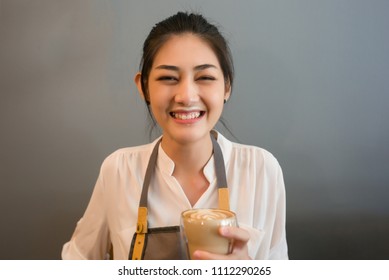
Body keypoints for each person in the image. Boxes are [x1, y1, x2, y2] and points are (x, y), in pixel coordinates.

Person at [62, 11, 288, 260]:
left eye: (205, 77)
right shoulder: (118, 170)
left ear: (226, 86)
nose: (186, 96)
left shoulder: (262, 170)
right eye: (168, 78)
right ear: (143, 87)